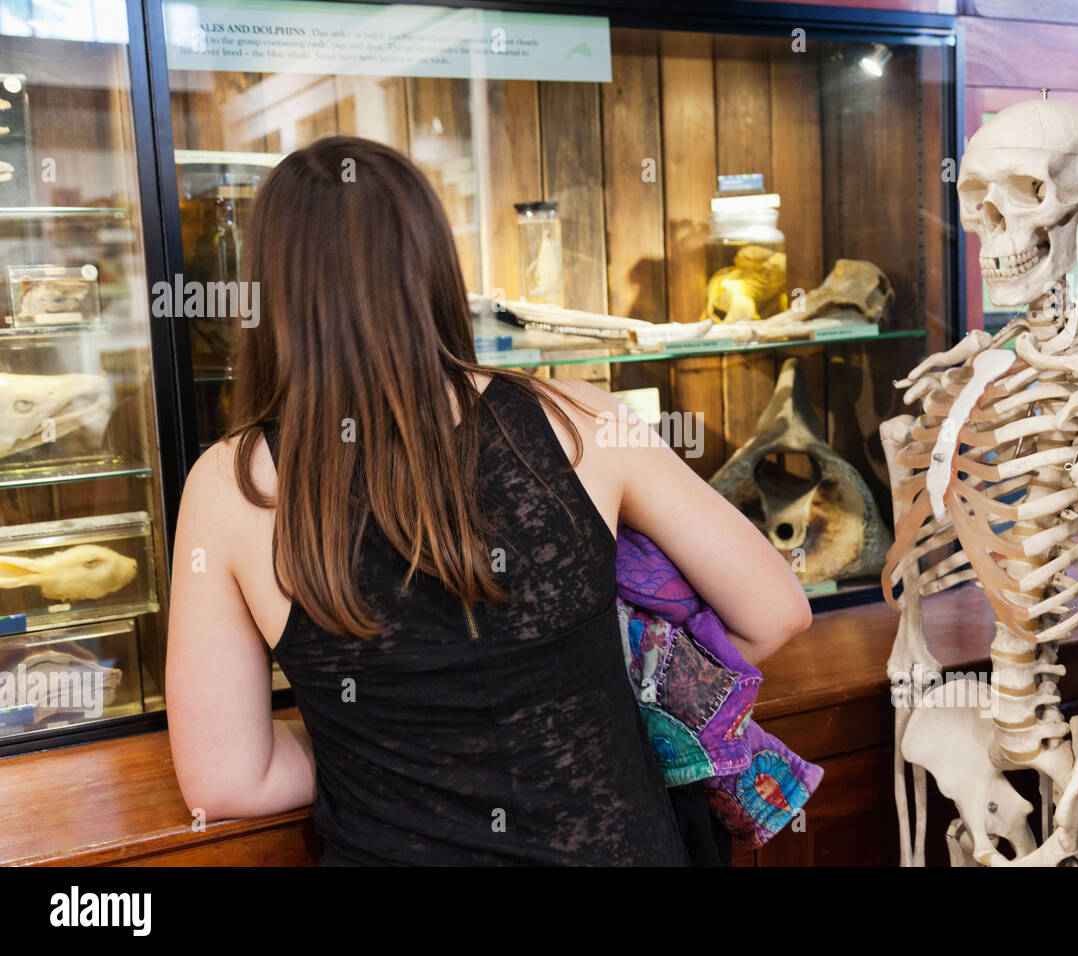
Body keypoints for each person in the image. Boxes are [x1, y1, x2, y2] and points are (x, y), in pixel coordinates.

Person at [165, 136, 811, 866]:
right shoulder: (584, 421)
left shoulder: (230, 485)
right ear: (432, 266)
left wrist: (384, 737)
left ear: (271, 289)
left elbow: (225, 780)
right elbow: (776, 612)